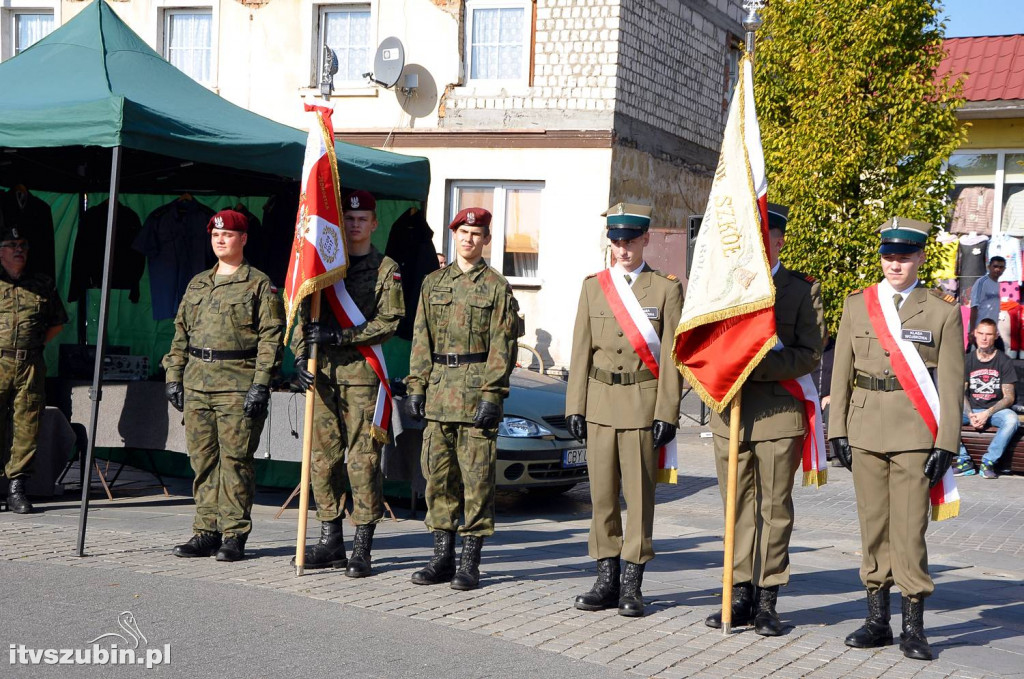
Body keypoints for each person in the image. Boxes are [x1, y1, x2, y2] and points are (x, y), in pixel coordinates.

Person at [829, 217, 964, 661]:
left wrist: (945, 443)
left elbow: (951, 384)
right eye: (889, 256)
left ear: (921, 257)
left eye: (904, 256)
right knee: (873, 528)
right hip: (865, 429)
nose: (895, 264)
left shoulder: (941, 311)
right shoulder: (857, 305)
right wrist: (838, 431)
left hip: (913, 433)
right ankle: (876, 620)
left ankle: (913, 627)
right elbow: (841, 373)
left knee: (909, 531)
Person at [705, 205, 825, 635]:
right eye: (754, 236)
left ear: (780, 240)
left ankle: (768, 598)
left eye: (768, 236)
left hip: (778, 412)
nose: (761, 244)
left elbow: (810, 353)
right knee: (735, 509)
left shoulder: (800, 289)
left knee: (774, 510)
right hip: (731, 414)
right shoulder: (725, 286)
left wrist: (758, 367)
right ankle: (738, 593)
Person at [565, 202, 684, 618]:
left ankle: (632, 585)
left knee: (638, 498)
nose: (622, 249)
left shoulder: (666, 289)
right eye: (616, 241)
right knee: (601, 498)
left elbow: (673, 357)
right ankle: (605, 580)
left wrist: (667, 412)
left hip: (640, 406)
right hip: (599, 404)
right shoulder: (593, 286)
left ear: (645, 239)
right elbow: (581, 350)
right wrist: (574, 405)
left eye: (630, 241)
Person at [406, 207, 519, 591]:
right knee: (438, 478)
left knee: (477, 481)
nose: (468, 239)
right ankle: (441, 557)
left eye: (476, 233)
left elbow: (503, 347)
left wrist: (492, 394)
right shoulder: (433, 283)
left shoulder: (496, 287)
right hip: (438, 390)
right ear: (452, 236)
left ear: (486, 239)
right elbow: (421, 339)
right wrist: (416, 386)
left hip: (475, 397)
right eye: (462, 232)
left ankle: (470, 562)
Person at [292, 190, 404, 576]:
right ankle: (330, 540)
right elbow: (302, 314)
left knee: (362, 462)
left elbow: (389, 322)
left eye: (362, 219)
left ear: (373, 223)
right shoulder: (324, 266)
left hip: (360, 376)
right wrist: (297, 357)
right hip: (322, 376)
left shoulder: (385, 268)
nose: (355, 225)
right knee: (322, 462)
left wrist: (340, 337)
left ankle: (362, 547)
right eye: (349, 219)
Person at [164, 210, 284, 562]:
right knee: (203, 461)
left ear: (243, 239)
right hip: (198, 382)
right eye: (216, 235)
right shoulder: (198, 283)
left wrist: (261, 385)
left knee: (235, 462)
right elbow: (180, 335)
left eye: (228, 235)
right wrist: (173, 375)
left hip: (237, 382)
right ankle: (205, 531)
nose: (220, 240)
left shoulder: (259, 284)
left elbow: (271, 339)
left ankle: (233, 535)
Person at [0, 225, 67, 514]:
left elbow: (56, 323)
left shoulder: (42, 283)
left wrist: (32, 347)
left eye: (23, 245)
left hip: (30, 364)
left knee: (28, 425)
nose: (19, 250)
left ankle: (17, 487)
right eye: (12, 244)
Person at [952, 318, 1017, 479]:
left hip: (995, 411)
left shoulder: (1004, 361)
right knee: (941, 417)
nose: (984, 338)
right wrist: (971, 414)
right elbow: (961, 391)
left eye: (988, 334)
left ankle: (988, 461)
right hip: (971, 411)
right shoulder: (967, 360)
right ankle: (963, 460)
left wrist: (986, 413)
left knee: (1012, 420)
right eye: (980, 333)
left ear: (995, 336)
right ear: (974, 334)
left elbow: (1009, 397)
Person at [969, 256, 1005, 336]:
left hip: (992, 329)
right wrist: (972, 330)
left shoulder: (997, 284)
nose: (998, 269)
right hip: (981, 329)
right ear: (989, 267)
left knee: (1000, 348)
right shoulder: (981, 283)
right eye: (995, 266)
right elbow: (974, 307)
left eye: (1001, 267)